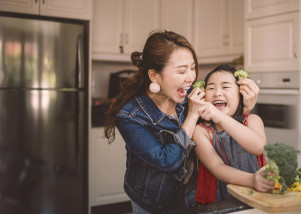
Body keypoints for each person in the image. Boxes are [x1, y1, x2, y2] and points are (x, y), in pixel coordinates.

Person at [104, 31, 259, 213]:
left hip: (191, 197)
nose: (191, 78)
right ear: (154, 76)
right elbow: (167, 162)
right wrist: (192, 115)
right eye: (181, 71)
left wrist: (244, 107)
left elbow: (220, 124)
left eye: (192, 68)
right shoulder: (130, 116)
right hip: (152, 202)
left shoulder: (189, 92)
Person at [192, 64, 275, 205]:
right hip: (219, 200)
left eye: (225, 87)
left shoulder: (253, 120)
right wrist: (252, 180)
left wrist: (220, 117)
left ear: (240, 94)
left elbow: (258, 147)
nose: (217, 92)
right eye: (211, 88)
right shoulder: (200, 131)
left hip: (257, 197)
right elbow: (217, 167)